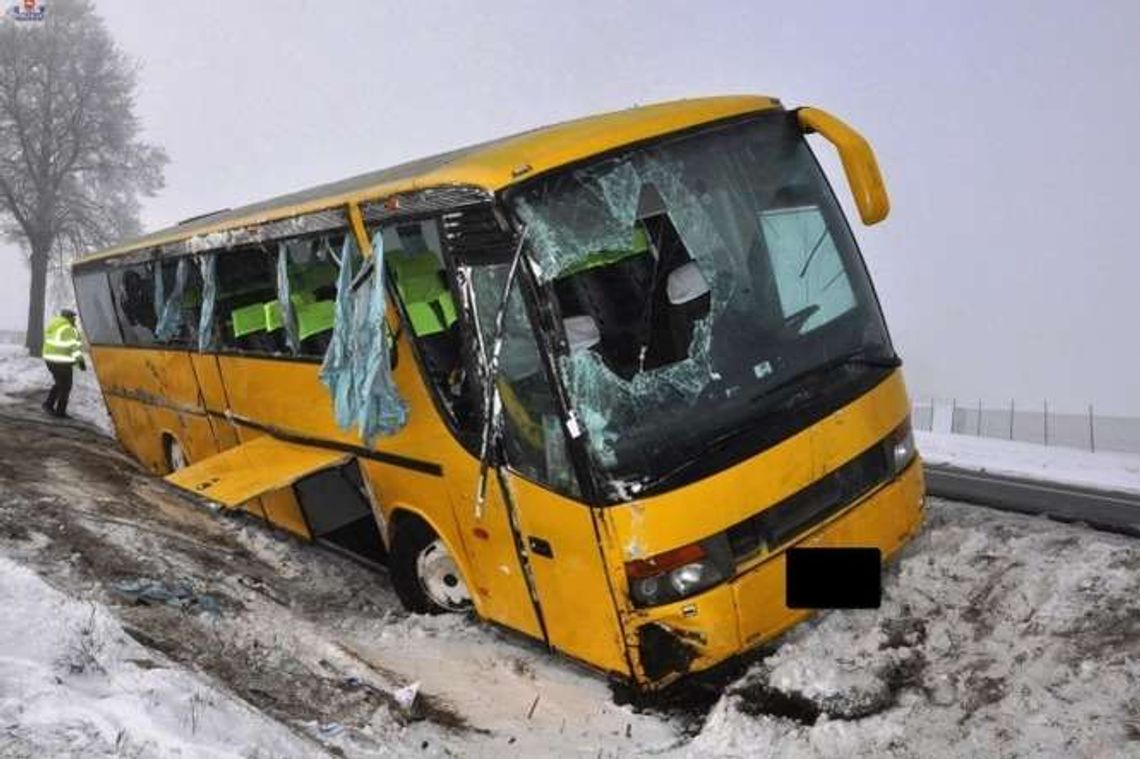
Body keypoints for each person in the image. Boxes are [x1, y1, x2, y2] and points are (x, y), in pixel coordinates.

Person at [42, 308, 85, 418]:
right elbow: (74, 348)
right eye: (73, 317)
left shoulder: (55, 324)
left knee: (59, 383)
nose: (74, 319)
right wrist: (80, 362)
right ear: (68, 317)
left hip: (50, 360)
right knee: (66, 386)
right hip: (61, 361)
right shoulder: (68, 329)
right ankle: (60, 412)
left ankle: (48, 404)